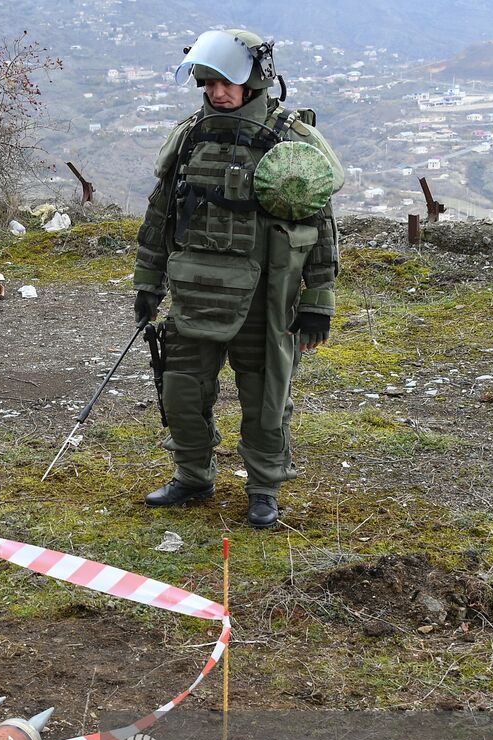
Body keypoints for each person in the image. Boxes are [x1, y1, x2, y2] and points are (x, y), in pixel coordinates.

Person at [134, 28, 345, 529]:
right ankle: (192, 474)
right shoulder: (190, 138)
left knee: (265, 399)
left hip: (264, 298)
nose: (215, 93)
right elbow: (160, 215)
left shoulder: (290, 141)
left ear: (256, 80)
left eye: (226, 81)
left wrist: (318, 299)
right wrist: (148, 283)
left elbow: (319, 225)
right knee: (181, 391)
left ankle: (263, 489)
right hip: (194, 291)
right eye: (207, 83)